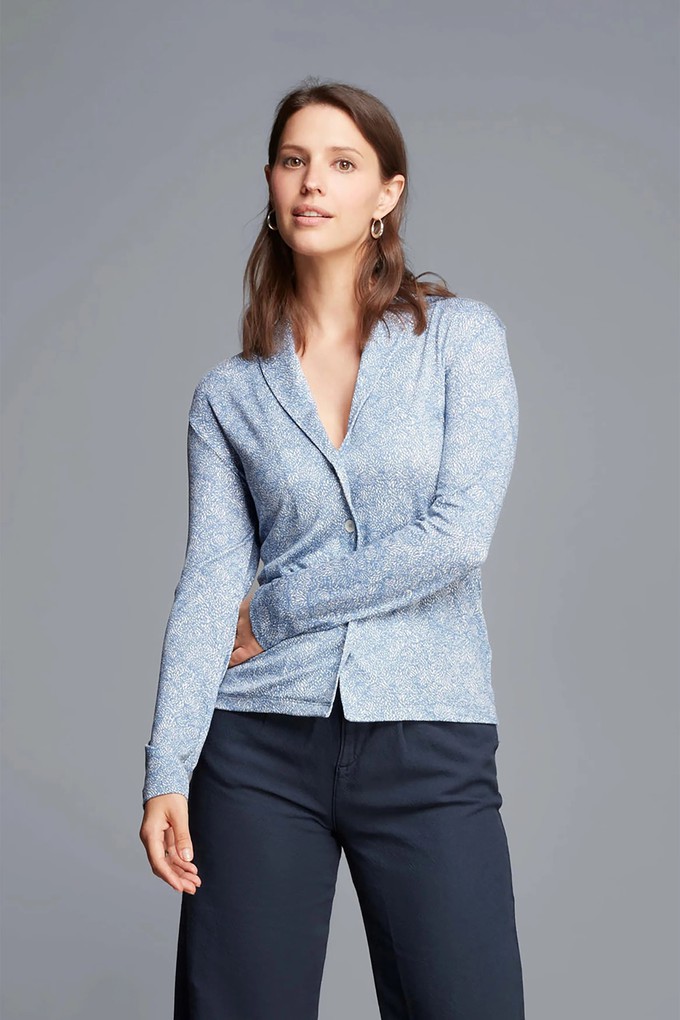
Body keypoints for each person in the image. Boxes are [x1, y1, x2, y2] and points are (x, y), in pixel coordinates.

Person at [139, 77, 526, 1020]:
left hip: (428, 734)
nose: (313, 182)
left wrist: (279, 607)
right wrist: (166, 768)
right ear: (273, 185)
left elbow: (456, 539)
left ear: (387, 194)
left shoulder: (460, 342)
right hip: (255, 749)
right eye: (294, 160)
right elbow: (208, 586)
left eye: (342, 163)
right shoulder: (230, 395)